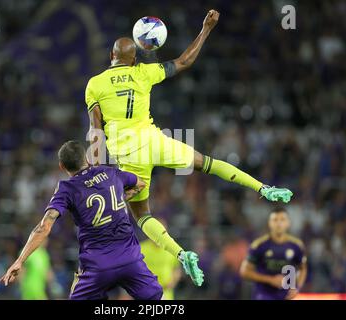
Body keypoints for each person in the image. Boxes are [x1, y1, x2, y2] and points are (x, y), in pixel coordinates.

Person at [85, 9, 292, 285]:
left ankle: (181, 254)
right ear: (133, 59)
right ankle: (263, 188)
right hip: (155, 140)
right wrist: (206, 29)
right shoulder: (144, 73)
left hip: (128, 153)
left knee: (142, 214)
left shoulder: (94, 85)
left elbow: (95, 130)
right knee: (205, 162)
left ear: (112, 56)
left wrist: (97, 169)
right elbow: (184, 61)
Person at [1, 140, 168, 299]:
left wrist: (19, 260)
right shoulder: (110, 172)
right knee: (156, 298)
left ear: (62, 166)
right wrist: (121, 197)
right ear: (87, 158)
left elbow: (44, 227)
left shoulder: (67, 189)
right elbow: (140, 184)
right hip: (130, 260)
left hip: (97, 267)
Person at [239, 208, 307, 300]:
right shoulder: (259, 245)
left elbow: (303, 268)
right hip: (264, 294)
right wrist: (270, 280)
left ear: (288, 223)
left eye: (282, 219)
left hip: (287, 295)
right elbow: (244, 272)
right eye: (275, 220)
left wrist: (297, 287)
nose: (279, 224)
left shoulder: (296, 246)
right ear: (269, 223)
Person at [140, 219, 182, 300]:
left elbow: (177, 268)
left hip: (166, 294)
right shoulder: (141, 248)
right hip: (146, 294)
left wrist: (173, 282)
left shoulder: (171, 249)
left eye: (162, 231)